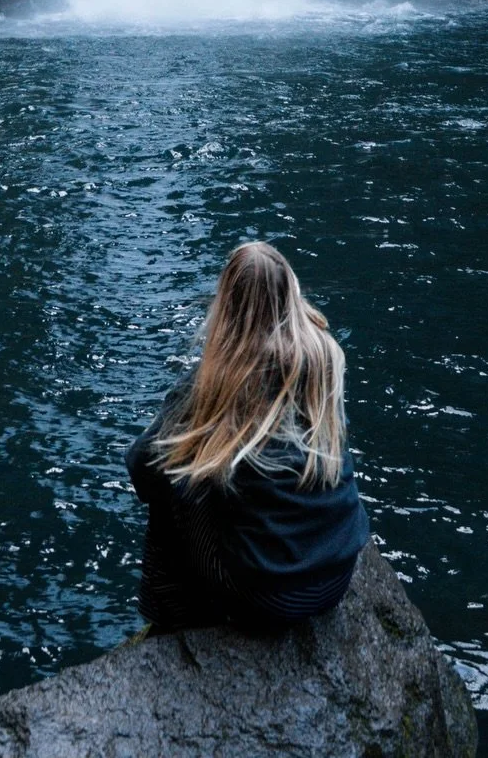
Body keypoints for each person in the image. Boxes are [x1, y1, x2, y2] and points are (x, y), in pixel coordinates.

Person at [126, 240, 370, 633]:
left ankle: (172, 621)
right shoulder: (324, 358)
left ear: (227, 305)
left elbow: (142, 465)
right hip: (335, 577)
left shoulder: (216, 383)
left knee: (172, 474)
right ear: (290, 295)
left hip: (271, 599)